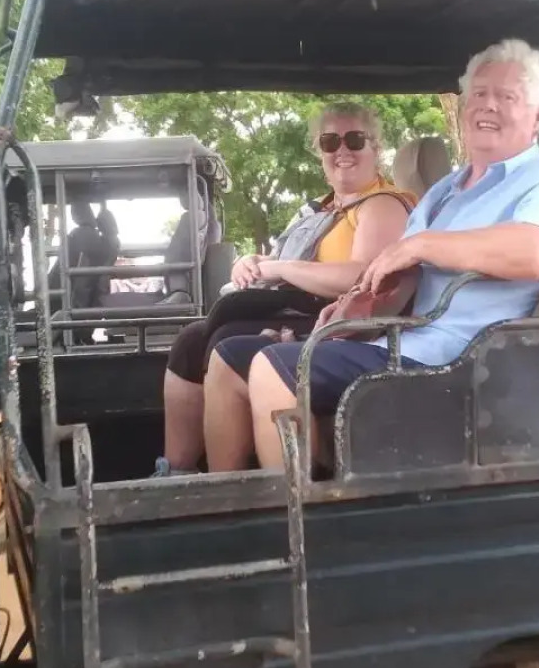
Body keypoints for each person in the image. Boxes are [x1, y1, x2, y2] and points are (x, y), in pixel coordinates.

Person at [203, 38, 539, 472]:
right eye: (479, 94)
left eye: (507, 96)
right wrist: (349, 314)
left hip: (460, 358)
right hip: (404, 338)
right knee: (229, 358)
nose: (488, 105)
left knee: (273, 371)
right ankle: (223, 499)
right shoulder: (446, 190)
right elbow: (402, 275)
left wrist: (422, 245)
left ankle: (299, 512)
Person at [151, 103, 415, 477]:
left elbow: (361, 276)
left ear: (376, 147)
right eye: (330, 142)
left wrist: (279, 268)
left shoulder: (383, 205)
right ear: (320, 151)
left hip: (339, 321)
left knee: (225, 341)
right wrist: (252, 263)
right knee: (191, 341)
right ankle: (175, 472)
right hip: (297, 307)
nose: (342, 150)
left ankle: (226, 483)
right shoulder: (320, 209)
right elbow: (279, 260)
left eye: (355, 140)